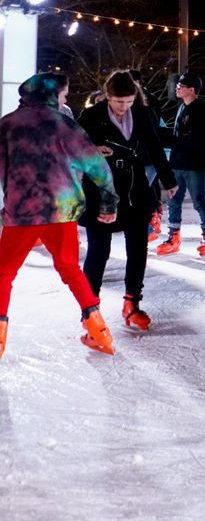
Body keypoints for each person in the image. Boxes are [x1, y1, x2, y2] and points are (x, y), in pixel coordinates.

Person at [0, 73, 120, 359]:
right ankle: (100, 332)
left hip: (23, 212)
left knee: (3, 273)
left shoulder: (7, 125)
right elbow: (97, 165)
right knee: (70, 269)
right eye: (64, 95)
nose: (65, 100)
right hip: (61, 211)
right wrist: (108, 202)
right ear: (52, 95)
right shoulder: (63, 124)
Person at [78, 71, 178, 330]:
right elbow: (73, 149)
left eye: (129, 102)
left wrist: (169, 180)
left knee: (138, 248)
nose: (124, 108)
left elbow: (155, 147)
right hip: (101, 191)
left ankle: (132, 302)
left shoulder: (142, 114)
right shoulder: (91, 116)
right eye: (119, 102)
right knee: (99, 251)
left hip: (135, 190)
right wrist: (92, 151)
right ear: (108, 96)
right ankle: (91, 310)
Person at [158, 71, 205, 257]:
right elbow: (179, 136)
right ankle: (174, 236)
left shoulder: (201, 110)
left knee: (199, 200)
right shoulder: (182, 107)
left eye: (181, 86)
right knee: (174, 200)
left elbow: (194, 140)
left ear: (192, 90)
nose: (177, 88)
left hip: (194, 165)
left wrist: (169, 139)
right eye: (177, 85)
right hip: (178, 163)